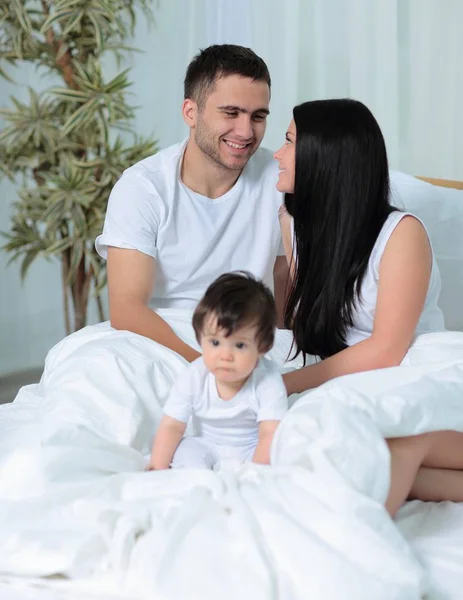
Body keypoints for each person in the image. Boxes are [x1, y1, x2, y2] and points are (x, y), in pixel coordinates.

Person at [274, 98, 463, 515]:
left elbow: (386, 350)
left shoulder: (402, 235)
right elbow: (304, 320)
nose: (278, 153)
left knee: (396, 440)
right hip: (358, 378)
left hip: (420, 372)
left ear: (325, 159)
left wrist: (288, 383)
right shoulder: (294, 224)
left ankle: (359, 545)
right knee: (360, 451)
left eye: (289, 141)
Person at [95, 44, 287, 362]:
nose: (245, 131)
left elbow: (285, 291)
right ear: (190, 112)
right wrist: (203, 367)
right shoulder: (143, 188)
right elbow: (127, 309)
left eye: (258, 116)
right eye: (231, 113)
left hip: (248, 340)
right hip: (158, 342)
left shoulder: (278, 180)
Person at [148, 272, 288, 471]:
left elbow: (269, 432)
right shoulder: (196, 375)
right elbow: (173, 425)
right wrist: (157, 466)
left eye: (239, 345)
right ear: (200, 339)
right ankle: (193, 482)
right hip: (206, 443)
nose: (225, 355)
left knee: (282, 452)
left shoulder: (267, 380)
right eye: (215, 342)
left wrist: (255, 473)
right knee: (185, 452)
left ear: (263, 346)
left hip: (250, 447)